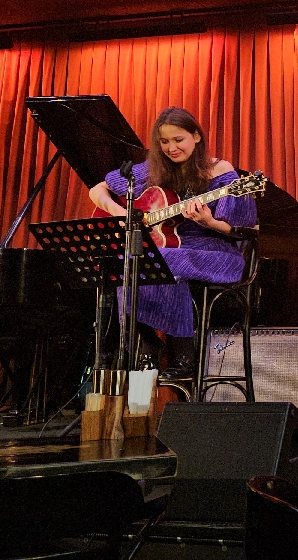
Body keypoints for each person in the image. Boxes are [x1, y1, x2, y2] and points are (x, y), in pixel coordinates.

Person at [89, 106, 257, 379]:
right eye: (164, 142)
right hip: (170, 246)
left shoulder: (220, 171)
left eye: (179, 140)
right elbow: (97, 190)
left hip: (216, 250)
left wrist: (209, 222)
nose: (171, 148)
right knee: (124, 262)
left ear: (196, 136)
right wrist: (122, 213)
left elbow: (242, 229)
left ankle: (184, 356)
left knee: (162, 260)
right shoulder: (153, 170)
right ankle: (146, 342)